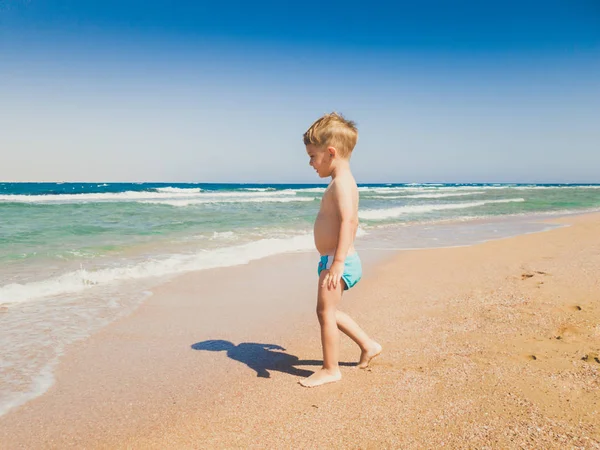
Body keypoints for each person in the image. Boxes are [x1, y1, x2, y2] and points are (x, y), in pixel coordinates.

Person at [299, 112, 382, 388]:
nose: (310, 163)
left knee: (324, 313)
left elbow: (350, 221)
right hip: (333, 258)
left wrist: (337, 263)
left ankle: (330, 368)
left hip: (339, 260)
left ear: (330, 152)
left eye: (313, 156)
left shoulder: (342, 184)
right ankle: (368, 345)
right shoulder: (339, 182)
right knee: (330, 311)